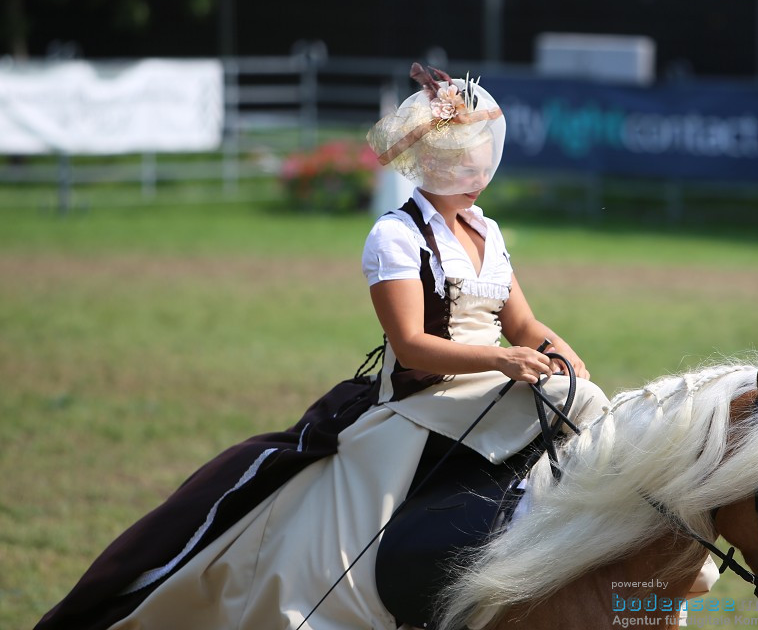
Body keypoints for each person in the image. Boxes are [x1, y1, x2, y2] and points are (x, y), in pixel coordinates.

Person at [35, 64, 609, 630]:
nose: (479, 167)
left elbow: (525, 323)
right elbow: (411, 347)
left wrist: (568, 358)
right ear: (434, 163)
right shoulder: (396, 235)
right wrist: (502, 359)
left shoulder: (488, 230)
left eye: (481, 154)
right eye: (467, 156)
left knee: (582, 400)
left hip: (492, 379)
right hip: (427, 396)